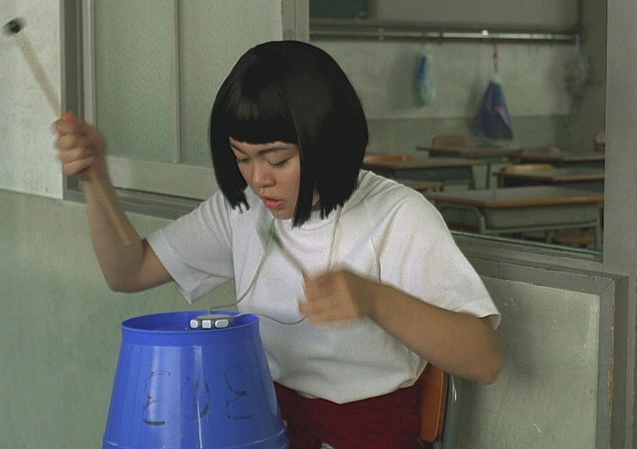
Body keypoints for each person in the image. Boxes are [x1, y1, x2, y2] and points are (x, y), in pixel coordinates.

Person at [54, 40, 502, 449]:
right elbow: (128, 271)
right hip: (258, 427)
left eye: (279, 159)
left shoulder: (397, 217)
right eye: (242, 157)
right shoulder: (244, 210)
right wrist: (96, 179)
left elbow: (484, 360)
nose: (258, 179)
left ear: (326, 144)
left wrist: (373, 299)